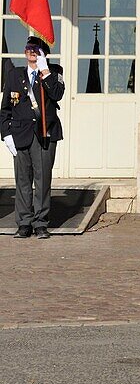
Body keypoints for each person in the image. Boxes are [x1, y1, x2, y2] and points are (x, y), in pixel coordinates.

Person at [1, 36, 64, 239]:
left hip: (45, 133)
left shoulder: (55, 72)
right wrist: (6, 134)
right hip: (20, 135)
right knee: (22, 181)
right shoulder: (14, 74)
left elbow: (58, 94)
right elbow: (5, 109)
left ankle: (41, 223)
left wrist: (45, 71)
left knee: (43, 179)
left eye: (36, 49)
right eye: (29, 48)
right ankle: (24, 223)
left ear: (44, 53)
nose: (31, 52)